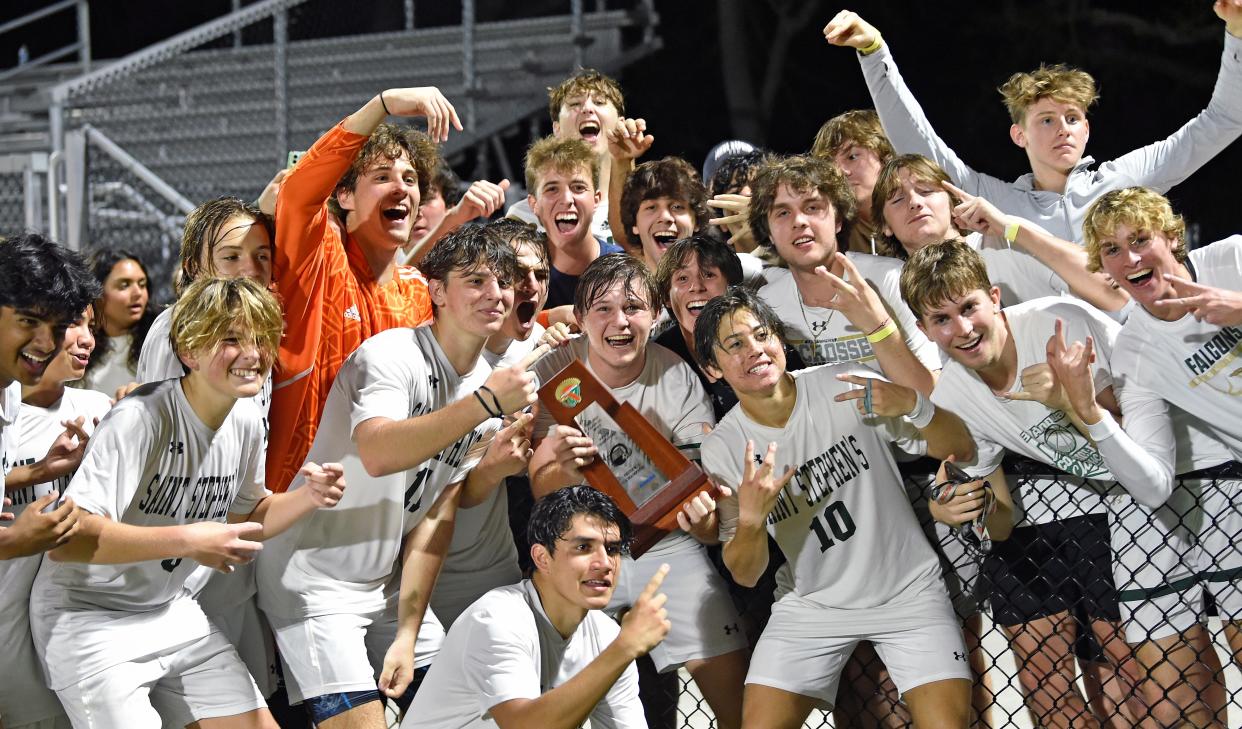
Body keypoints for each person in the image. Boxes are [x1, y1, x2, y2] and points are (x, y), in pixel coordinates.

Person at [902, 240, 1235, 727]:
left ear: (995, 297)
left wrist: (1069, 402)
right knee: (1171, 690)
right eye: (942, 319)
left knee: (1204, 665)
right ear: (923, 329)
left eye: (969, 307)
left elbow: (1143, 426)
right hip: (1135, 507)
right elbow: (1000, 523)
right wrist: (955, 507)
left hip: (1205, 475)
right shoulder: (955, 395)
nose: (963, 329)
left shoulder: (1057, 322)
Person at [256, 226, 542, 728]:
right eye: (475, 280)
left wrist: (409, 632)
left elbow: (436, 515)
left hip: (386, 587)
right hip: (312, 581)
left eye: (503, 282)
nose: (495, 294)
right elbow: (378, 451)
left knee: (467, 719)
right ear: (436, 292)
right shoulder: (391, 355)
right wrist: (487, 405)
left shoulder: (485, 391)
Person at [30, 277, 346, 729]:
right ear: (189, 351)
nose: (253, 353)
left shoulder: (245, 421)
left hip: (171, 611)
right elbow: (68, 539)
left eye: (261, 337)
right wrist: (188, 541)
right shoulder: (141, 417)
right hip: (89, 617)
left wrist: (307, 498)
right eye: (232, 339)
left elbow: (247, 514)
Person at [696, 287, 993, 729]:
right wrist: (754, 520)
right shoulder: (723, 448)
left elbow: (960, 446)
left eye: (762, 335)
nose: (754, 349)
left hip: (907, 592)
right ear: (712, 368)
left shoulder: (844, 382)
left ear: (779, 341)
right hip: (813, 605)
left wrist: (914, 404)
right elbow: (745, 572)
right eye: (735, 345)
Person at [529, 254, 749, 729]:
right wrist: (565, 467)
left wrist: (704, 519)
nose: (619, 322)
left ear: (655, 314)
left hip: (665, 543)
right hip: (580, 545)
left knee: (736, 691)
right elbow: (541, 491)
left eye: (633, 307)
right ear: (581, 318)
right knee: (560, 699)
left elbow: (705, 512)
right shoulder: (554, 371)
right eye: (602, 309)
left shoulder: (675, 375)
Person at [823, 5, 1242, 249]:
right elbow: (919, 144)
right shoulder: (995, 201)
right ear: (1019, 135)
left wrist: (1238, 36)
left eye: (1073, 119)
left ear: (1087, 131)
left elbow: (1224, 120)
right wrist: (874, 52)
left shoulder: (1126, 179)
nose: (1063, 129)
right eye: (1047, 119)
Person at [267, 84, 461, 493]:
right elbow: (300, 192)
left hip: (379, 505)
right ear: (344, 194)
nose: (401, 188)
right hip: (295, 495)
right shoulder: (318, 256)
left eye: (410, 179)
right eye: (382, 176)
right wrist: (383, 104)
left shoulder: (419, 293)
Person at [134, 195, 281, 700]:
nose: (250, 269)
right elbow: (163, 460)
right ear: (197, 264)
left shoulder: (253, 337)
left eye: (262, 255)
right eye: (232, 257)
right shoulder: (175, 328)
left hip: (224, 543)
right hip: (178, 553)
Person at [405, 486, 664, 729]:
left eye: (612, 549)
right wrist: (624, 650)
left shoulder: (607, 637)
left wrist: (620, 649)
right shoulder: (497, 619)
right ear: (542, 557)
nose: (605, 563)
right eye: (584, 547)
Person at [431, 219, 555, 627]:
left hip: (499, 564)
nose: (530, 286)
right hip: (432, 566)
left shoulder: (545, 347)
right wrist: (491, 467)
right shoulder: (447, 360)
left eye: (541, 274)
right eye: (516, 274)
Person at [0, 307, 109, 729]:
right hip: (11, 633)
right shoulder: (9, 405)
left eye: (90, 326)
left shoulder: (97, 408)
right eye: (71, 324)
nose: (85, 339)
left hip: (74, 627)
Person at [747, 154, 939, 391]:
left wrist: (879, 328)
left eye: (812, 207)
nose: (799, 221)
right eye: (783, 213)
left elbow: (935, 392)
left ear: (838, 219)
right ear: (768, 232)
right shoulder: (766, 304)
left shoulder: (890, 280)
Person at [1083, 186, 1242, 458]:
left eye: (1140, 240)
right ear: (1103, 267)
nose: (1131, 259)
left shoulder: (1234, 257)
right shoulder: (1132, 355)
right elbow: (1152, 487)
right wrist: (1080, 405)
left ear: (1172, 238)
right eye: (1112, 249)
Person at [870, 153, 1128, 312]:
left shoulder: (1004, 239)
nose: (915, 202)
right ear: (884, 225)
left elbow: (1113, 293)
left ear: (951, 201)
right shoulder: (892, 288)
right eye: (897, 200)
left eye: (926, 191)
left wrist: (1012, 229)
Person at [0, 233, 98, 563]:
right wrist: (12, 543)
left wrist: (38, 472)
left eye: (57, 327)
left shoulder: (10, 390)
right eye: (29, 321)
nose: (45, 343)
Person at [507, 68, 625, 247]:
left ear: (621, 124)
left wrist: (626, 159)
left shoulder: (644, 207)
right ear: (557, 129)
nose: (587, 109)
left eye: (599, 102)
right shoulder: (525, 217)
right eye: (575, 104)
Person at [522, 136, 623, 310]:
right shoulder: (518, 271)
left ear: (596, 199)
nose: (567, 199)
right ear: (534, 204)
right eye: (552, 189)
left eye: (578, 188)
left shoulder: (622, 268)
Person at [810, 109, 895, 254]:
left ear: (886, 158)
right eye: (829, 164)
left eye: (852, 157)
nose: (839, 171)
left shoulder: (919, 208)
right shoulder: (825, 225)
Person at [82, 248, 155, 398]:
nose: (138, 293)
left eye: (142, 284)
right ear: (98, 293)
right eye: (124, 285)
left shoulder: (159, 341)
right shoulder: (82, 343)